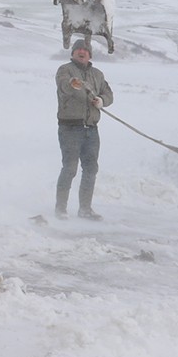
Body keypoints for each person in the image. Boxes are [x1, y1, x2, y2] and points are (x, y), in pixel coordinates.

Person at [55, 38, 113, 220]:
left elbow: (108, 94)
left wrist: (101, 101)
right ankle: (61, 209)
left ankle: (85, 209)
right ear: (72, 53)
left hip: (91, 130)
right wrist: (74, 84)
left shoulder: (98, 74)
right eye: (78, 49)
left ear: (90, 54)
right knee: (70, 168)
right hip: (70, 128)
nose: (82, 52)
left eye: (85, 50)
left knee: (91, 169)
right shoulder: (65, 70)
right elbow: (65, 86)